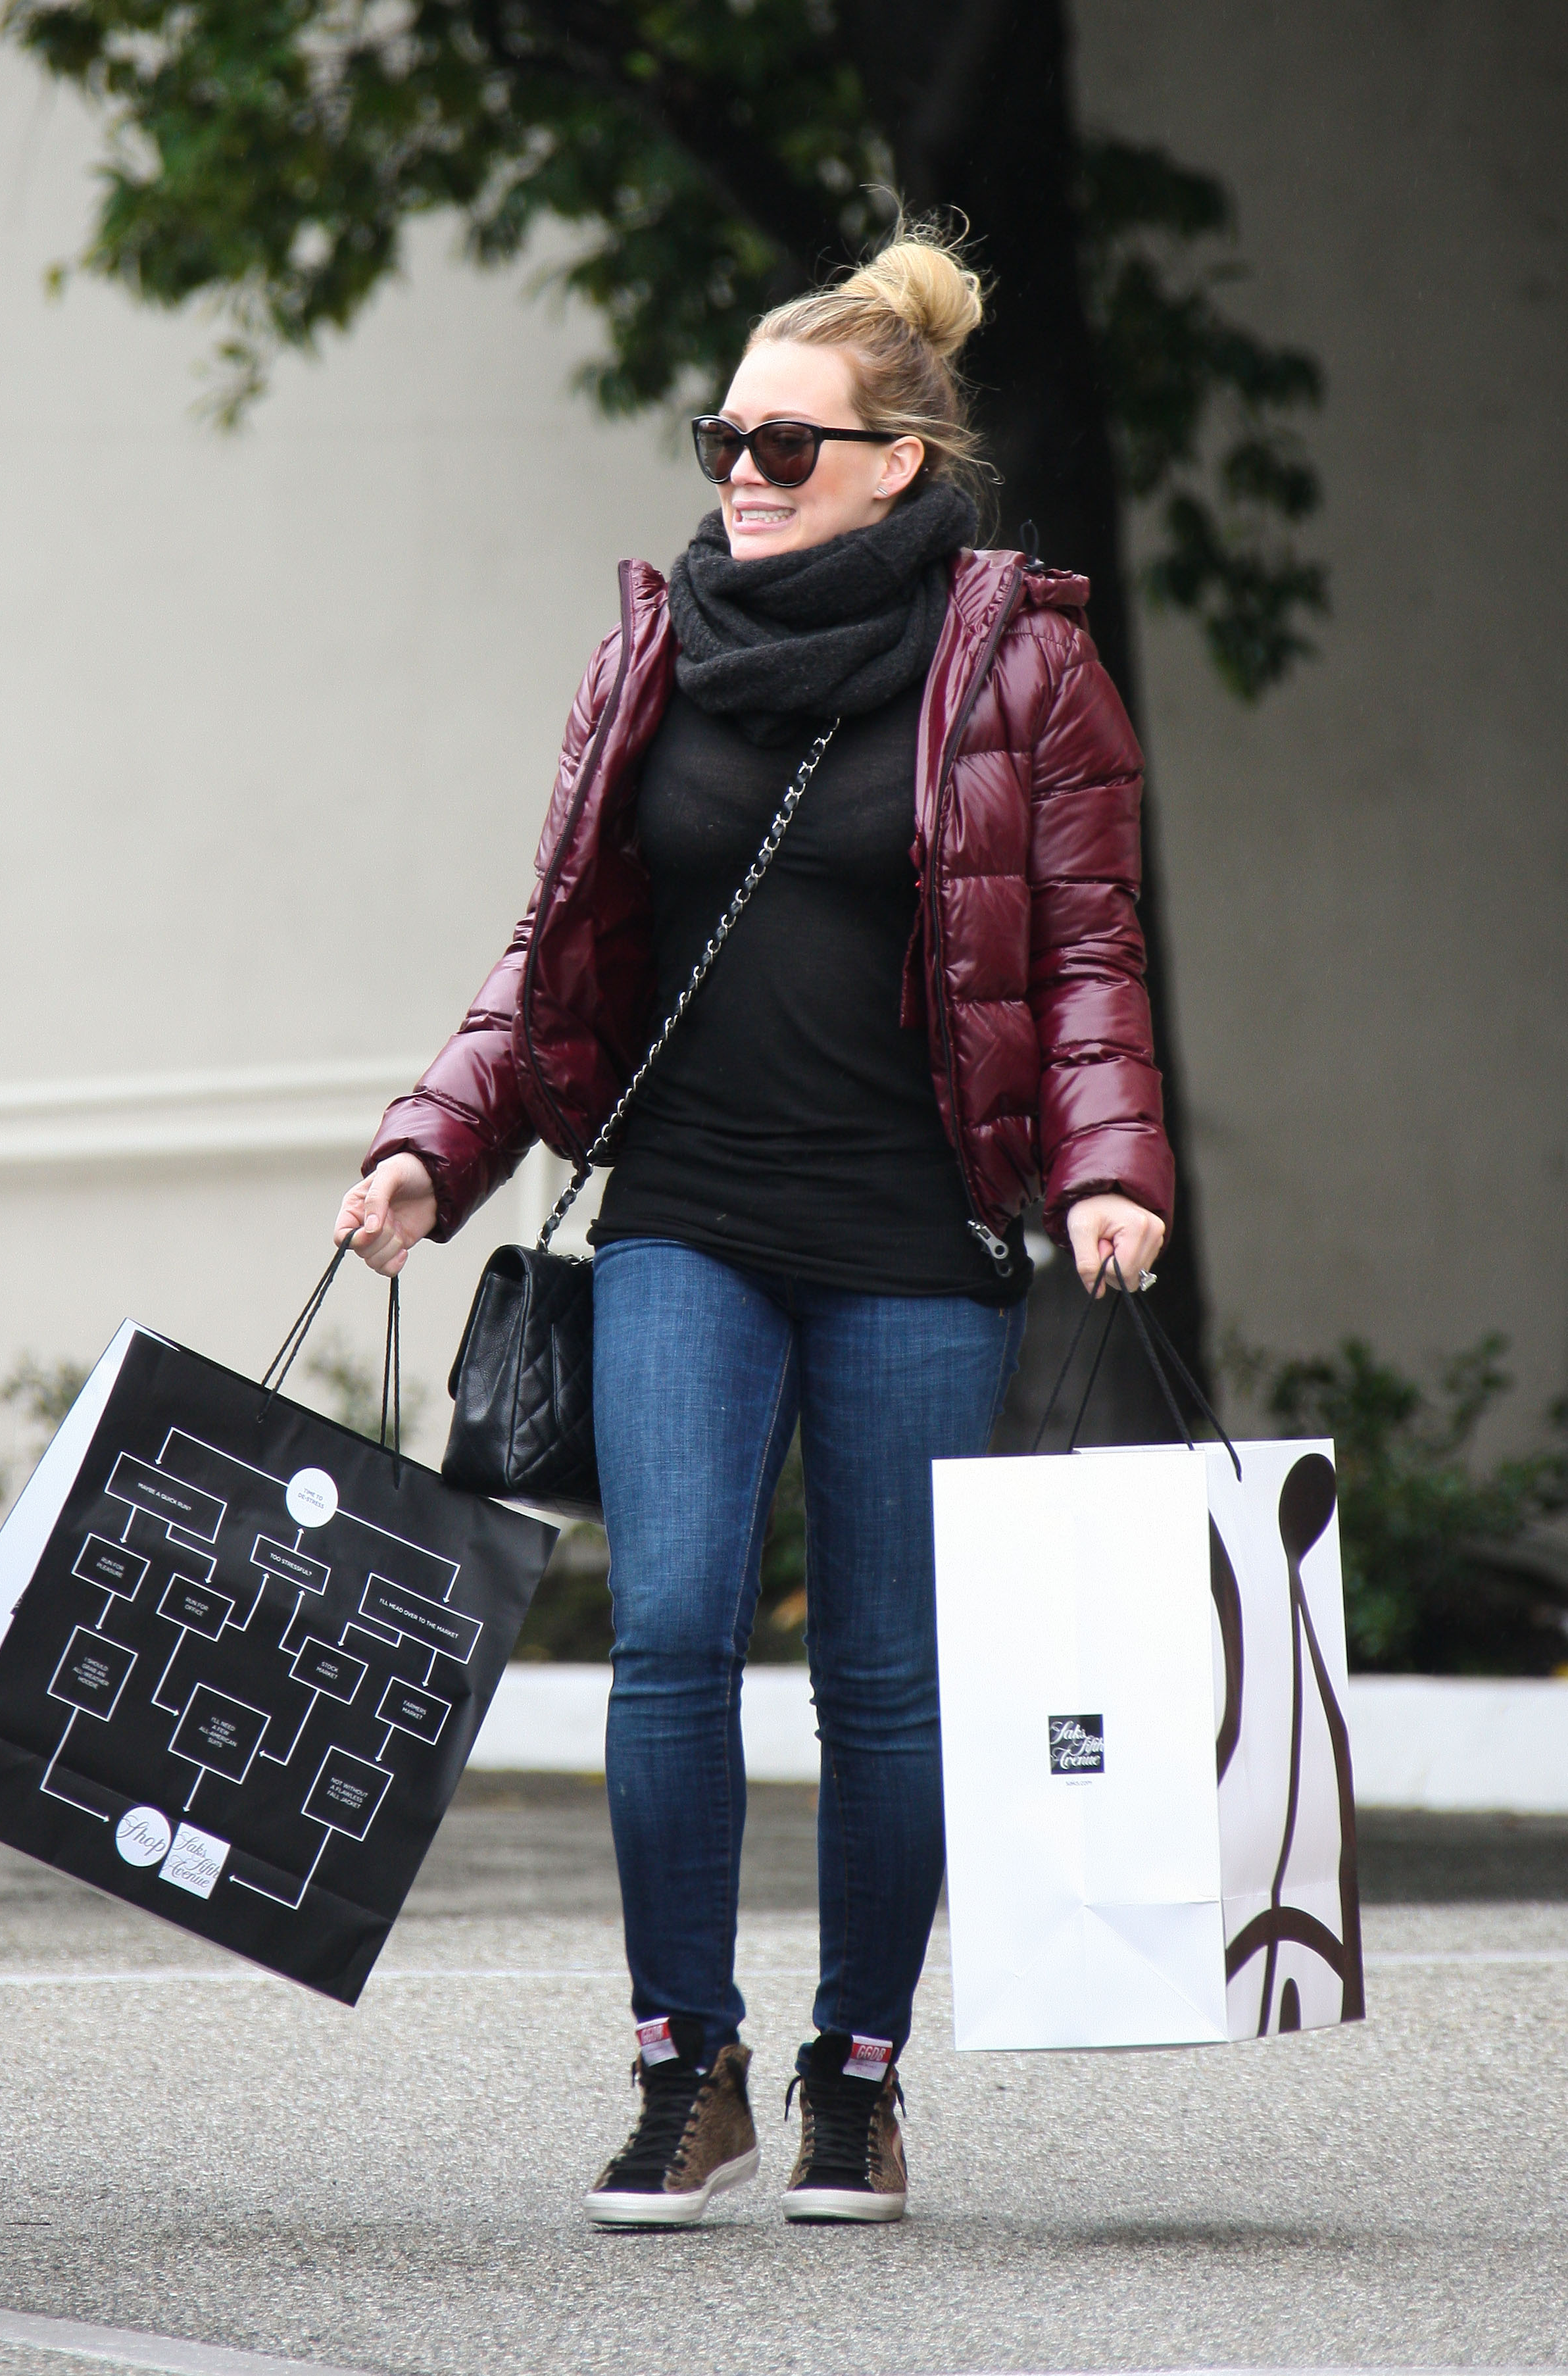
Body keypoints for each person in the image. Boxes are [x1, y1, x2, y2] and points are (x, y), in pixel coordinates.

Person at [335, 225, 1172, 2228]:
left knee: (884, 1679)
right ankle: (680, 2063)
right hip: (688, 1216)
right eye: (724, 437)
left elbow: (1085, 952)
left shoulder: (1024, 664)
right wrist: (436, 1146)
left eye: (787, 444)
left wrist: (1109, 1165)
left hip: (914, 1234)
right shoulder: (659, 650)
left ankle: (853, 2076)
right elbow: (555, 949)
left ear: (899, 462)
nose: (743, 471)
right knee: (670, 1637)